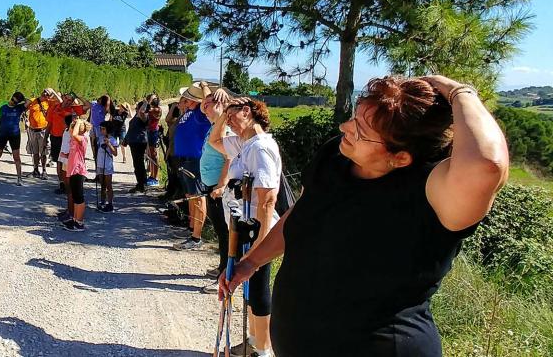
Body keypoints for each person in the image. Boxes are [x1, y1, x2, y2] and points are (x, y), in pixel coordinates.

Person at [218, 75, 510, 357]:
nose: (345, 127)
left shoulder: (434, 190)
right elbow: (305, 212)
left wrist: (458, 91)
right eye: (355, 118)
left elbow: (487, 164)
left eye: (361, 130)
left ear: (401, 157)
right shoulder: (336, 155)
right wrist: (252, 261)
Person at [217, 97, 281, 355]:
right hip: (245, 225)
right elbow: (216, 141)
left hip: (258, 228)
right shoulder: (247, 144)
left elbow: (267, 199)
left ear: (248, 111)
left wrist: (260, 245)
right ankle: (254, 340)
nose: (228, 120)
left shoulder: (261, 147)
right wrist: (224, 114)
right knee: (251, 289)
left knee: (258, 288)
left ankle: (263, 349)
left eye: (232, 115)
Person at [172, 82, 230, 251]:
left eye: (188, 97)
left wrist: (205, 86)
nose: (185, 99)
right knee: (191, 195)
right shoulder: (190, 112)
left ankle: (196, 237)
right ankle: (192, 229)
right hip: (185, 158)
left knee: (198, 197)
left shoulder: (200, 111)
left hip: (195, 159)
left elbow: (207, 100)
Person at [195, 91, 234, 292]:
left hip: (219, 190)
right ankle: (222, 268)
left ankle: (226, 276)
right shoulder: (215, 127)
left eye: (208, 104)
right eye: (203, 104)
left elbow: (230, 158)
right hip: (211, 187)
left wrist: (221, 185)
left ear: (220, 105)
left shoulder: (225, 128)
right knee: (220, 231)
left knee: (226, 233)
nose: (204, 107)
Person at [46, 91, 87, 193]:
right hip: (55, 137)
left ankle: (69, 183)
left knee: (68, 161)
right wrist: (45, 138)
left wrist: (79, 96)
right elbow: (49, 124)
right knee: (58, 161)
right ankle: (62, 183)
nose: (68, 101)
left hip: (70, 138)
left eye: (71, 100)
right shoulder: (54, 107)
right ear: (63, 97)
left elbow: (88, 105)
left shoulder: (74, 109)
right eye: (67, 99)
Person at [0, 91, 27, 185]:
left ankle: (19, 178)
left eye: (15, 102)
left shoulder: (19, 108)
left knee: (16, 157)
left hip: (14, 134)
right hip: (2, 133)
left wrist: (23, 100)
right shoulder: (3, 106)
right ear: (11, 97)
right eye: (13, 100)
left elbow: (29, 102)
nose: (13, 102)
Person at [61, 118, 91, 232]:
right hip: (73, 170)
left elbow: (73, 134)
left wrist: (79, 122)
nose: (72, 128)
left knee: (79, 197)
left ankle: (79, 222)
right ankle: (74, 219)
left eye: (75, 127)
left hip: (78, 170)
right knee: (75, 196)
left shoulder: (82, 139)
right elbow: (70, 132)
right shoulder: (74, 140)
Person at [26, 89, 53, 178]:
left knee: (44, 152)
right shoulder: (33, 100)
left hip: (43, 130)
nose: (45, 94)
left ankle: (44, 170)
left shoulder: (49, 102)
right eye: (44, 91)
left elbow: (59, 101)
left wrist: (53, 93)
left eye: (47, 94)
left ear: (49, 96)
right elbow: (24, 107)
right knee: (35, 152)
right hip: (32, 130)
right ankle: (35, 170)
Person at [124, 100, 150, 193]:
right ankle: (140, 183)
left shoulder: (144, 116)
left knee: (139, 163)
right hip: (134, 142)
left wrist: (146, 103)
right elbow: (131, 128)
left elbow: (142, 112)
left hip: (139, 142)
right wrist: (126, 139)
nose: (136, 109)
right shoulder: (136, 116)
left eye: (137, 107)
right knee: (137, 163)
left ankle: (142, 184)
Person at [95, 120, 120, 212]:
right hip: (100, 163)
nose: (101, 131)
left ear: (108, 129)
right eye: (101, 129)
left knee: (108, 185)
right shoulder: (100, 138)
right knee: (102, 184)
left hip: (108, 164)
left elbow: (115, 153)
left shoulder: (112, 139)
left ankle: (110, 203)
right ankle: (102, 201)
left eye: (103, 129)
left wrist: (109, 144)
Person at [145, 96, 163, 188]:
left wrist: (147, 102)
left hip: (153, 132)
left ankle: (155, 176)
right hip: (151, 131)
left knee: (153, 155)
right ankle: (152, 175)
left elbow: (145, 111)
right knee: (151, 155)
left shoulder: (155, 110)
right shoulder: (156, 109)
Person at [89, 95, 111, 163]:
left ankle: (100, 156)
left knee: (99, 142)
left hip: (100, 127)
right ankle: (95, 155)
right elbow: (90, 111)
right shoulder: (93, 103)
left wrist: (108, 98)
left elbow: (109, 109)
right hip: (92, 125)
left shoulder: (104, 107)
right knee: (93, 142)